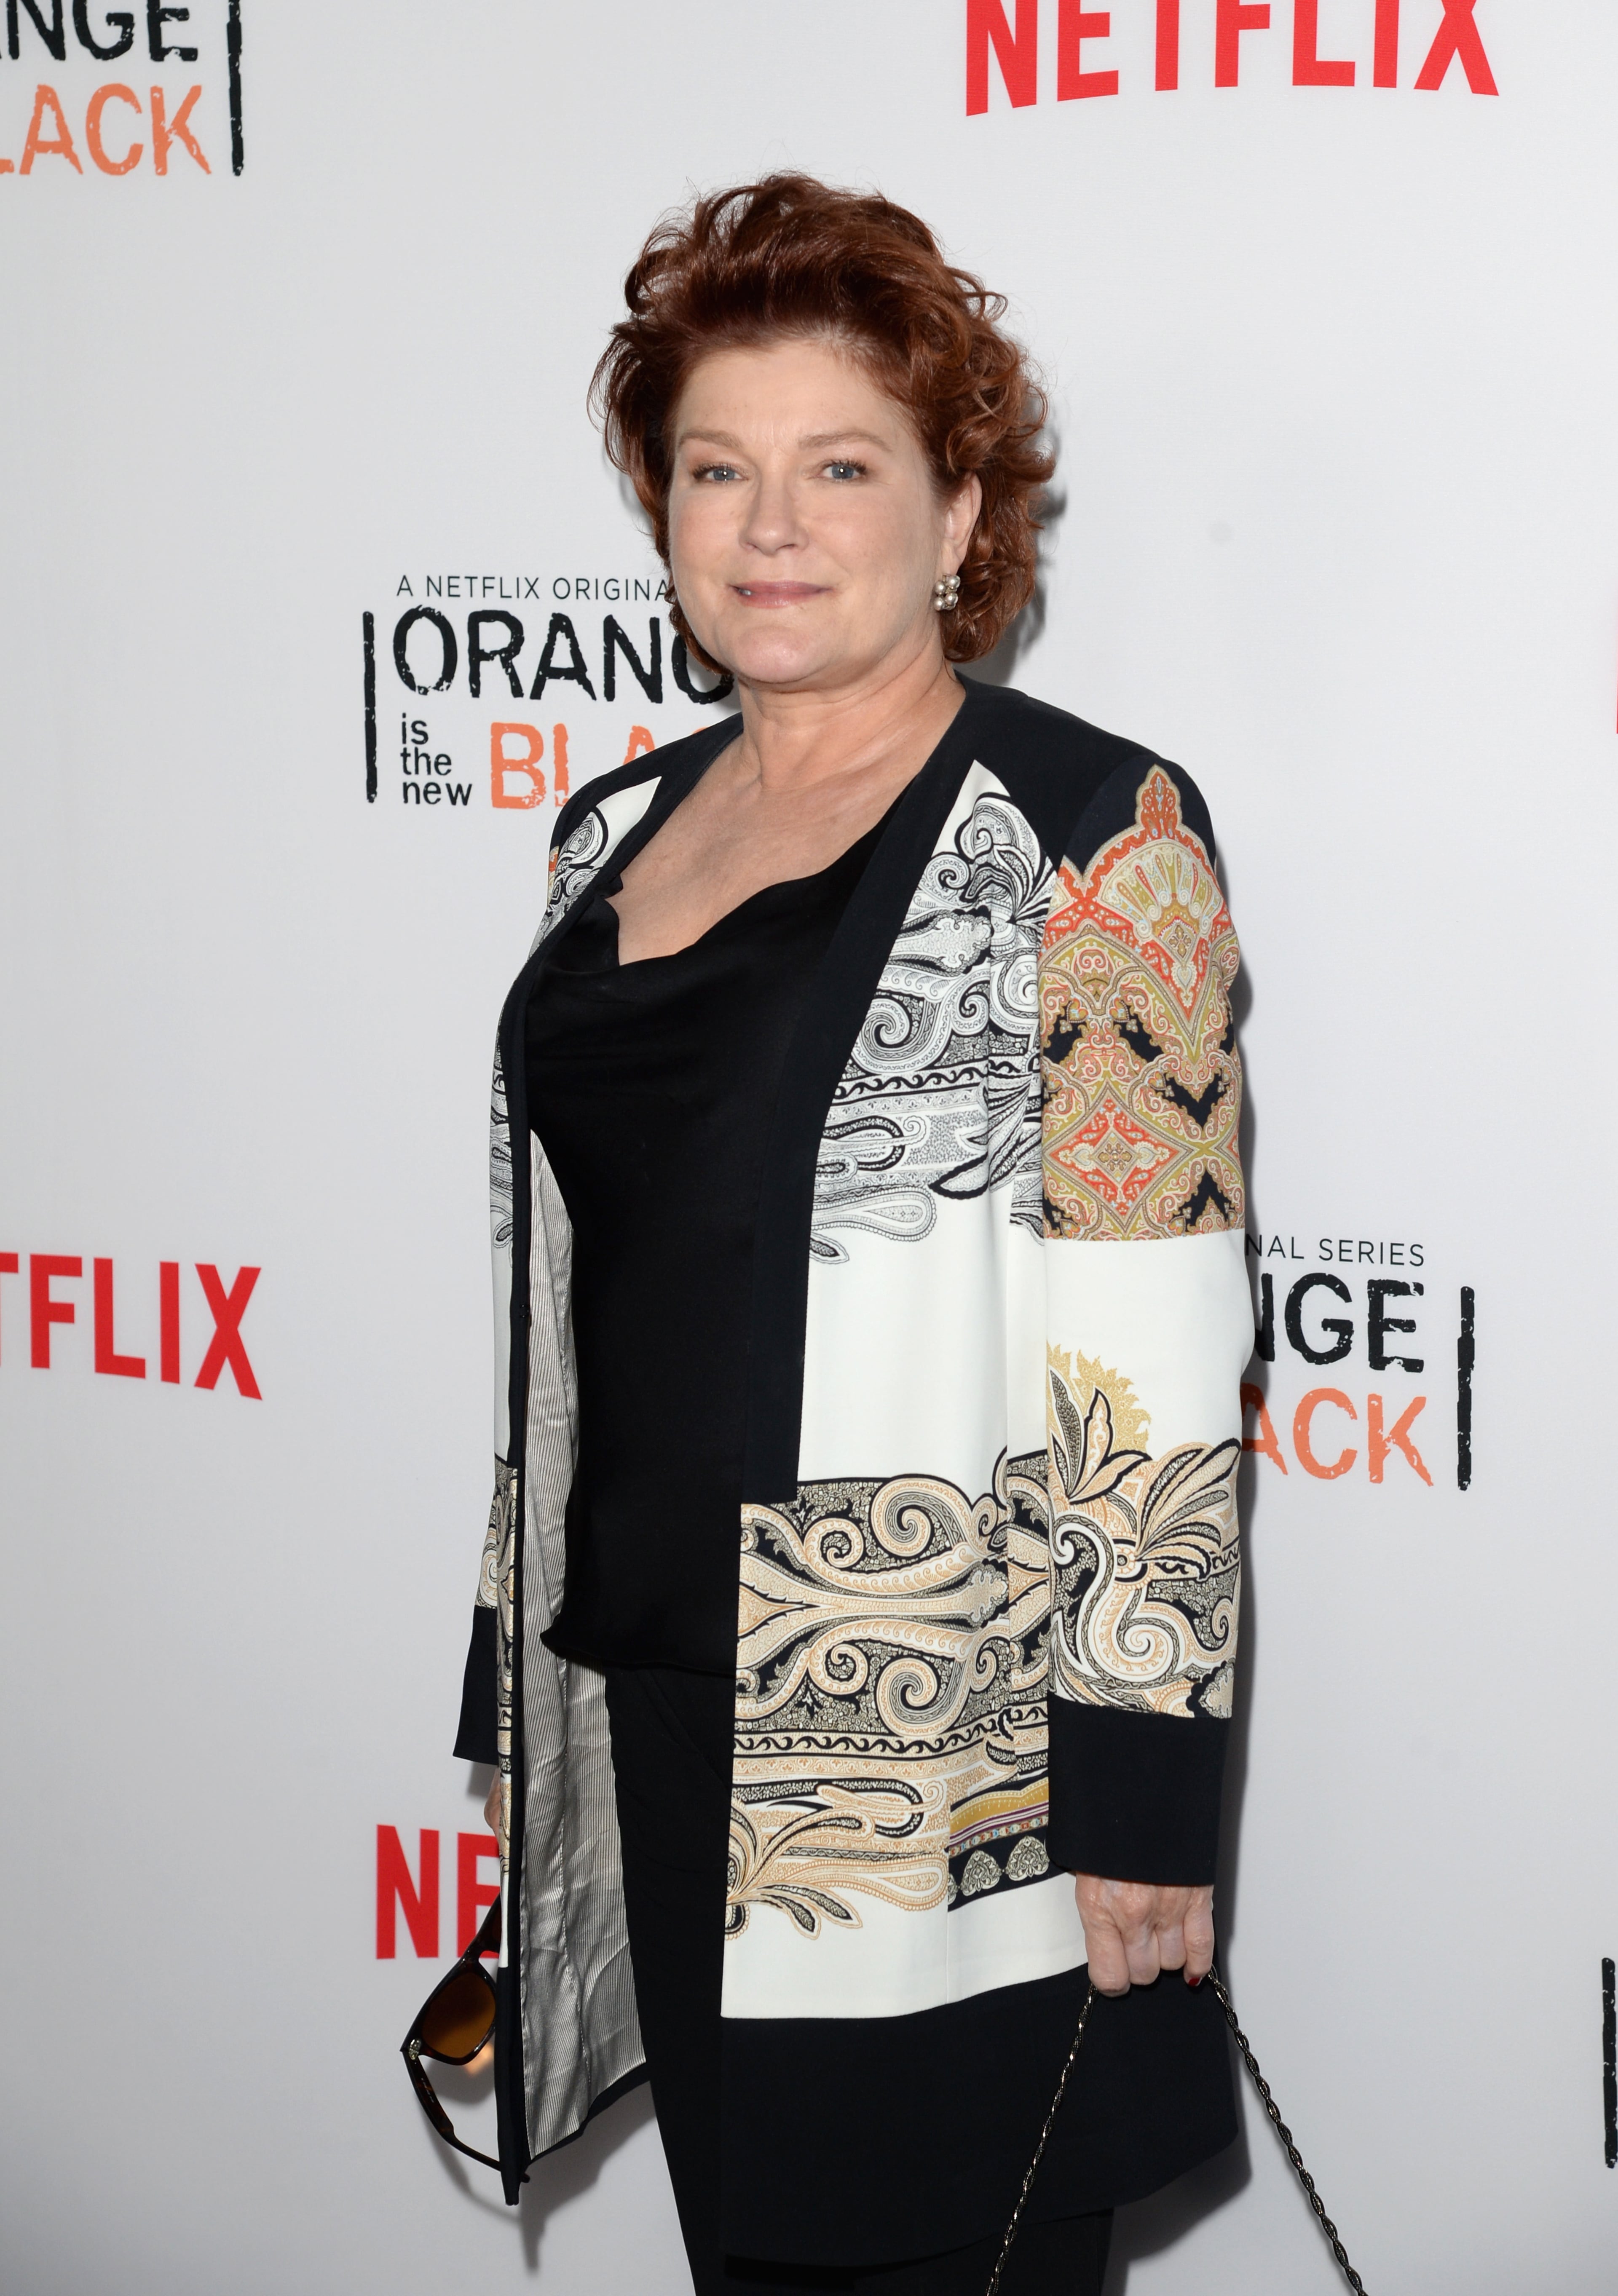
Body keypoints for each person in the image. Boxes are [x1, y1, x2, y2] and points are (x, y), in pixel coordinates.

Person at [453, 174, 1251, 2295]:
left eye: (840, 467)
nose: (772, 524)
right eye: (718, 468)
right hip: (648, 1707)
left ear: (961, 509)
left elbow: (1153, 1339)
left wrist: (1146, 1802)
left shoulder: (1095, 834)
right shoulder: (610, 828)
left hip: (929, 1741)